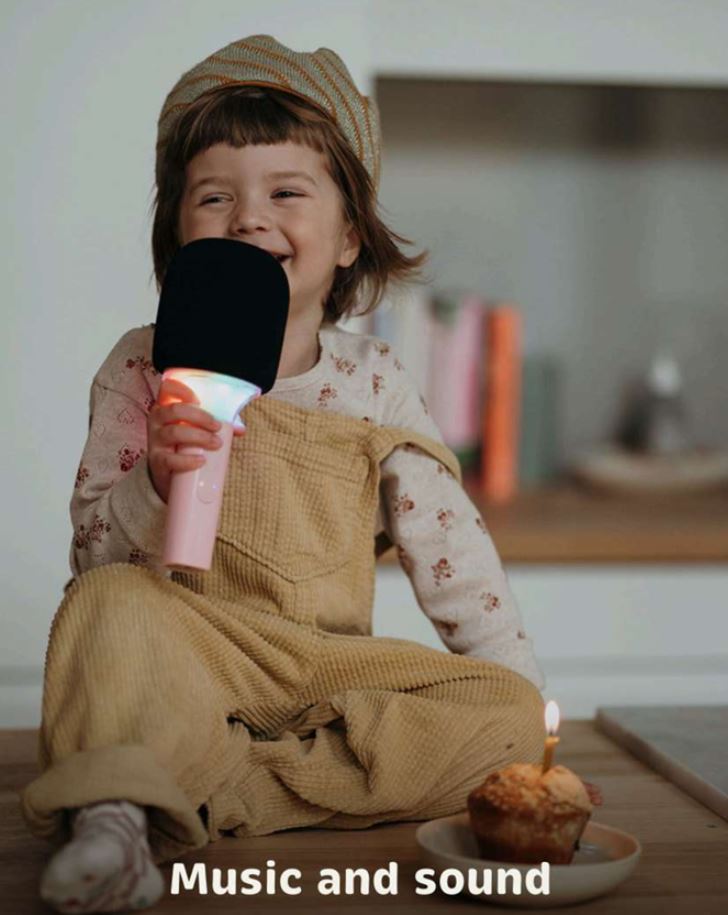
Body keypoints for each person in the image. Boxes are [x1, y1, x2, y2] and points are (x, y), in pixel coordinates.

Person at [20, 34, 546, 914]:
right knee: (104, 606)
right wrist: (154, 482)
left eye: (286, 192)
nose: (248, 217)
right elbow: (94, 555)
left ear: (348, 237)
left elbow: (457, 558)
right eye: (214, 195)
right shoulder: (141, 365)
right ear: (177, 232)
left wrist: (528, 741)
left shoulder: (376, 383)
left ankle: (201, 790)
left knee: (511, 713)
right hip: (189, 655)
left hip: (326, 674)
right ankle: (116, 813)